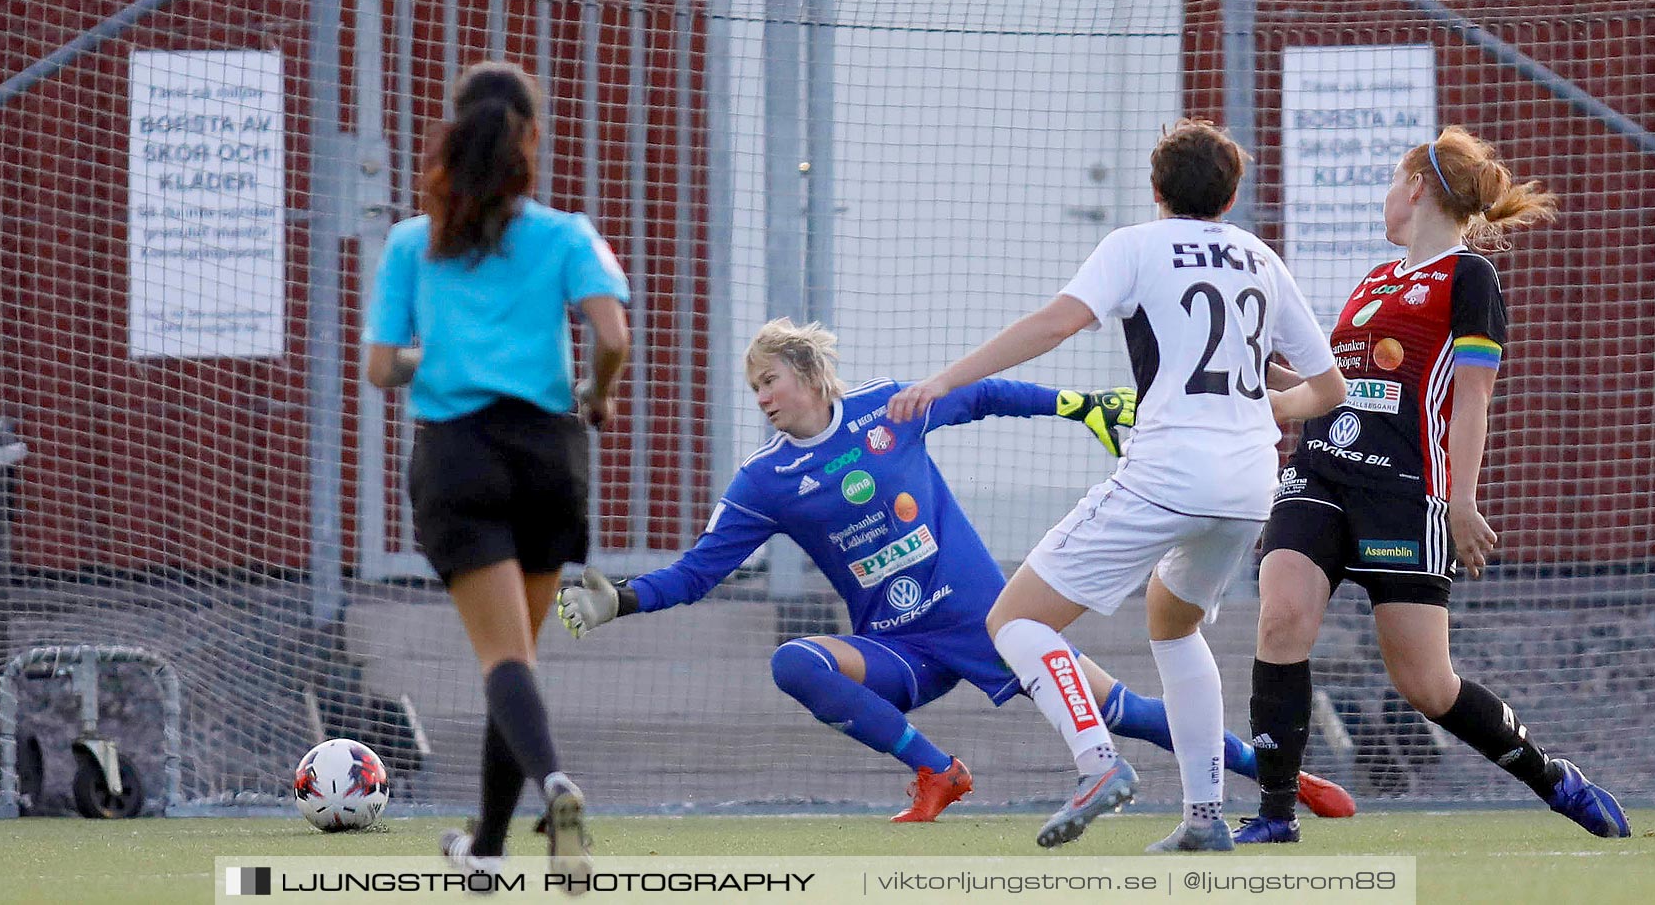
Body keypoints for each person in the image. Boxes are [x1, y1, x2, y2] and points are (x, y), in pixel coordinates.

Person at [557, 319, 1355, 823]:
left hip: (987, 618)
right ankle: (938, 772)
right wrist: (622, 598)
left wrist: (1073, 405)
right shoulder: (762, 480)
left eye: (771, 378)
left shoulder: (884, 409)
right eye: (755, 386)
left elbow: (983, 395)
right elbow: (699, 574)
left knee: (1136, 713)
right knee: (794, 662)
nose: (763, 395)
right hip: (899, 648)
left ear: (807, 372)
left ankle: (1284, 776)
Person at [888, 119, 1346, 853]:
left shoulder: (1135, 245)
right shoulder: (1260, 257)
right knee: (1172, 619)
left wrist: (944, 379)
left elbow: (1053, 324)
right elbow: (1328, 387)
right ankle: (1204, 818)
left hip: (1169, 472)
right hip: (1248, 483)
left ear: (1157, 189)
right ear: (1230, 198)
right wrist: (1264, 405)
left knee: (1016, 621)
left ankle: (1097, 762)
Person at [1237, 126, 1629, 844]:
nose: (1386, 196)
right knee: (1280, 616)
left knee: (1426, 685)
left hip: (1403, 491)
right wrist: (1258, 372)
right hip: (1320, 468)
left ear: (1415, 186)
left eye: (1393, 180)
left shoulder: (1469, 277)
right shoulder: (1372, 283)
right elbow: (1340, 389)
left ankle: (1553, 777)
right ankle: (1275, 814)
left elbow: (1474, 396)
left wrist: (1461, 499)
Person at [362, 60, 631, 887]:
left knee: (501, 658)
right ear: (531, 138)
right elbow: (614, 335)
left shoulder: (414, 240)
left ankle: (555, 787)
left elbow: (380, 368)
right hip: (552, 456)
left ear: (453, 132)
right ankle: (485, 847)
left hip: (459, 457)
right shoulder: (566, 232)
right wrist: (596, 395)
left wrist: (436, 355)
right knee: (515, 654)